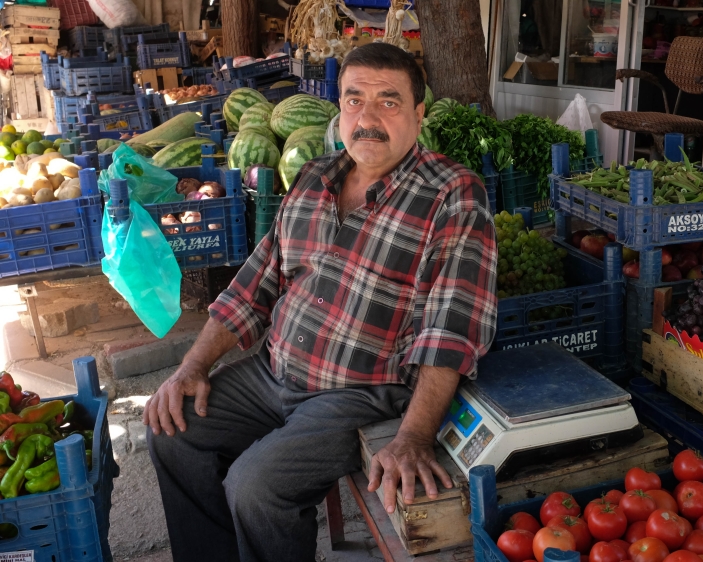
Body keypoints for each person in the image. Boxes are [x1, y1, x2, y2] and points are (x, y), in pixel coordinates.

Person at [143, 42, 498, 562]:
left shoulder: (454, 195)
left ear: (419, 114)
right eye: (355, 100)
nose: (368, 119)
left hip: (359, 393)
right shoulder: (314, 177)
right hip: (272, 372)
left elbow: (452, 329)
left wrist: (414, 436)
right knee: (172, 430)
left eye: (389, 102)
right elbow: (254, 284)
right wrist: (191, 367)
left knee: (255, 486)